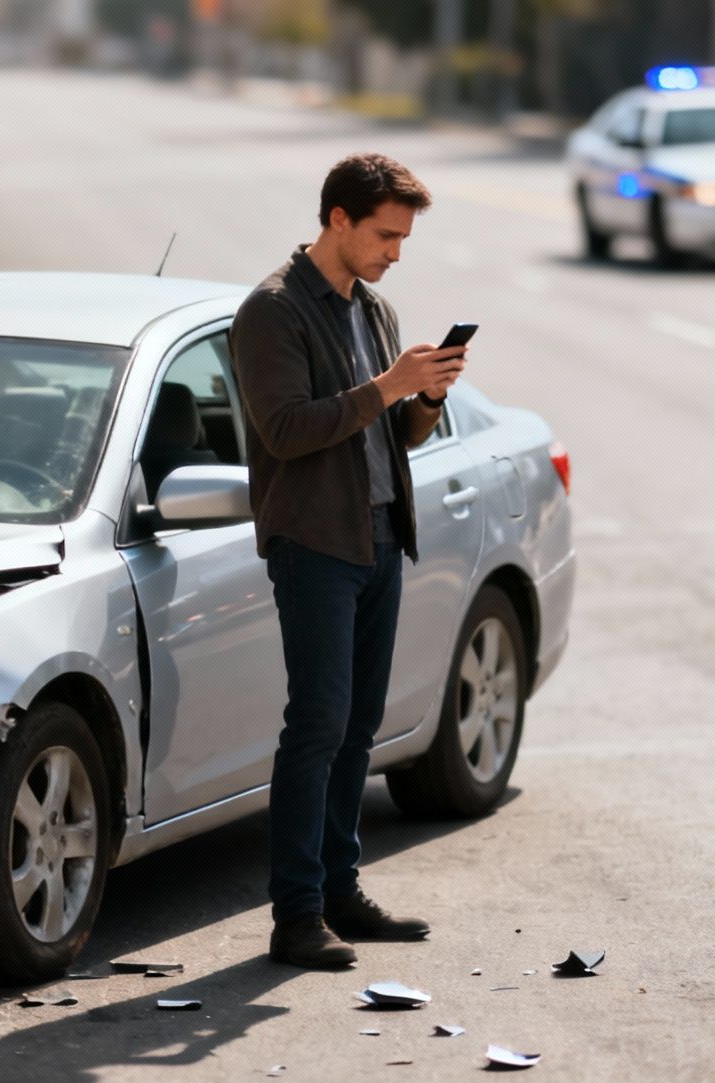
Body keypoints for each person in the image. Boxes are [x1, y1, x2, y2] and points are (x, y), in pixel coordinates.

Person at [229, 152, 465, 969]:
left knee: (360, 724)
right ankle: (295, 917)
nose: (395, 252)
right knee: (318, 723)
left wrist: (424, 397)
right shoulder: (272, 312)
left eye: (403, 238)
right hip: (314, 544)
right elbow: (287, 431)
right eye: (385, 235)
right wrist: (390, 385)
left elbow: (391, 437)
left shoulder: (377, 312)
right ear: (338, 219)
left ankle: (340, 892)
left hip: (377, 538)